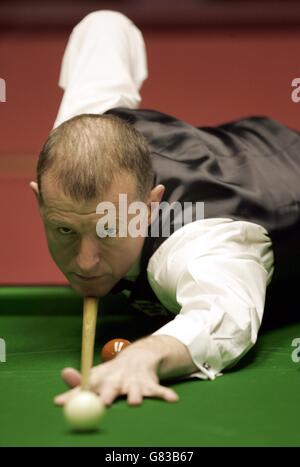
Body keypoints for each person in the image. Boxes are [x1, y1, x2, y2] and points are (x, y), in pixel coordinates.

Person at [30, 10, 300, 407]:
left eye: (108, 229)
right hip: (232, 145)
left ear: (150, 205)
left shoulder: (199, 241)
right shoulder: (80, 128)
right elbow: (105, 25)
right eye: (66, 231)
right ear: (40, 201)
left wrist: (148, 353)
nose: (85, 263)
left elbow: (224, 314)